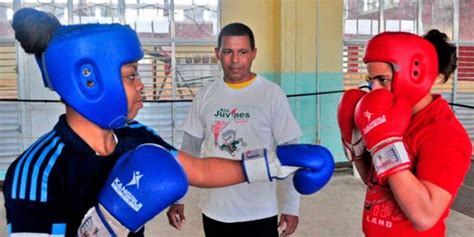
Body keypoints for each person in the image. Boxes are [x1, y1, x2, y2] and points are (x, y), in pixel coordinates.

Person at [3, 9, 335, 237]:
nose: (142, 85)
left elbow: (201, 170)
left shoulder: (136, 137)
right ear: (89, 81)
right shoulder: (36, 172)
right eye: (131, 76)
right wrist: (105, 225)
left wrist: (277, 163)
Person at [166, 22, 305, 237]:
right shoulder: (205, 95)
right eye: (228, 51)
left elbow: (291, 153)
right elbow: (189, 150)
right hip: (215, 210)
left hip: (259, 210)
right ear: (217, 54)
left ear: (253, 54)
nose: (235, 60)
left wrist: (291, 207)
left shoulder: (271, 94)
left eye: (242, 52)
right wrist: (177, 198)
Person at [337, 30, 472, 237]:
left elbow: (424, 216)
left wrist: (385, 145)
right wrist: (356, 146)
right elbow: (374, 182)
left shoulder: (444, 133)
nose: (375, 90)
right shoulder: (390, 114)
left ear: (415, 75)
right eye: (372, 81)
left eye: (383, 80)